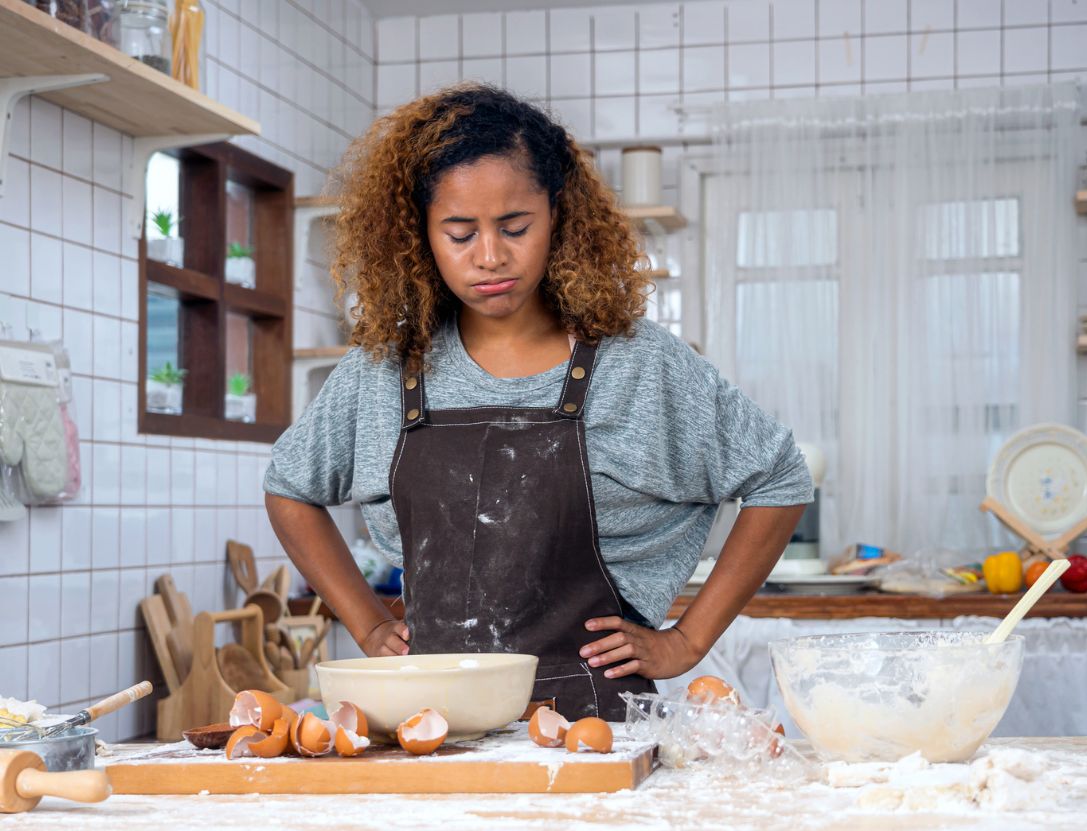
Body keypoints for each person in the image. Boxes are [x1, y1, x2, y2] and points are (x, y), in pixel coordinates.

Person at [264, 84, 812, 720]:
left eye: (515, 226)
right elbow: (289, 487)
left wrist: (687, 639)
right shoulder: (384, 370)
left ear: (559, 216)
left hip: (596, 727)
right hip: (437, 725)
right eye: (460, 233)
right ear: (420, 236)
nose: (491, 256)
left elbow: (779, 474)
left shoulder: (637, 363)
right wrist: (366, 623)